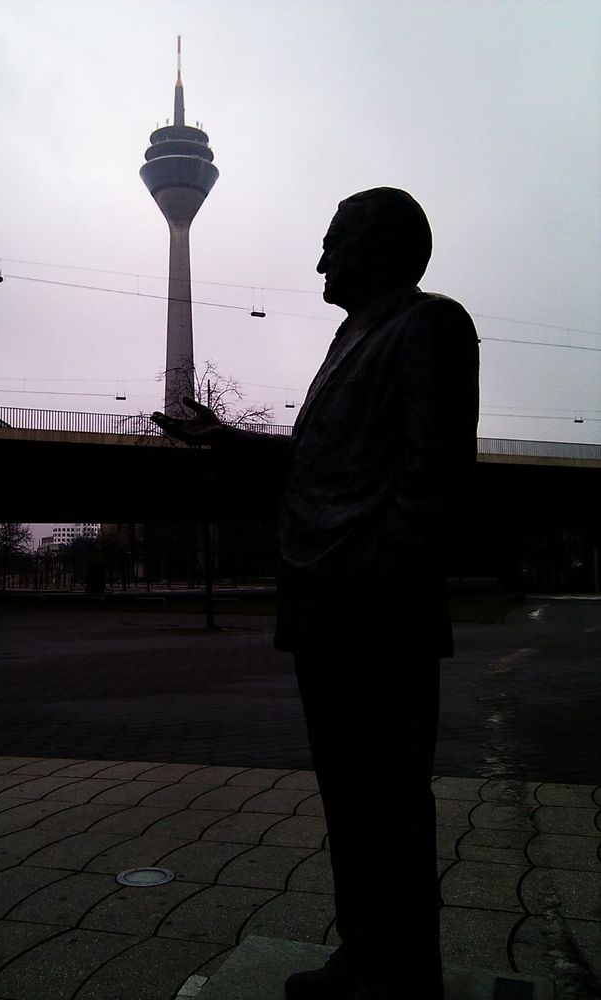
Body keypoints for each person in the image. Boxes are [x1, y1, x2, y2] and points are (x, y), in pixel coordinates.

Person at [151, 187, 480, 1000]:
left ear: (380, 247)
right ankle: (368, 952)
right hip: (325, 602)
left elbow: (432, 475)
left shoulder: (429, 325)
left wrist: (383, 576)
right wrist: (225, 438)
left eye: (335, 241)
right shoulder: (348, 339)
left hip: (377, 608)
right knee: (349, 796)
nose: (322, 258)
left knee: (389, 797)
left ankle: (403, 969)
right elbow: (316, 457)